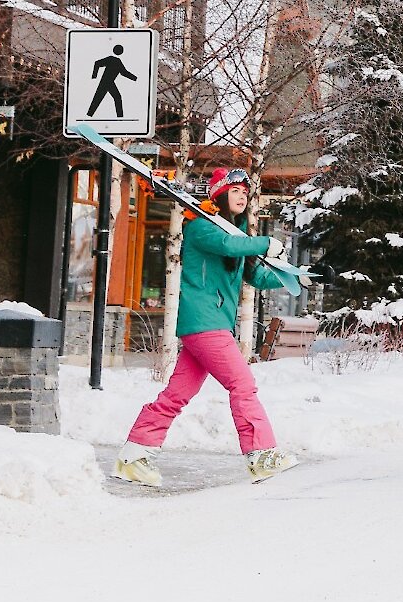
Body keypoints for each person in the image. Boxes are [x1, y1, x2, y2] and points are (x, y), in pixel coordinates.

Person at [115, 168, 304, 485]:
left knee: (176, 394)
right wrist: (265, 242)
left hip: (208, 326)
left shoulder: (236, 238)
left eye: (246, 191)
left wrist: (301, 274)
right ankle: (261, 454)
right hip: (206, 323)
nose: (243, 194)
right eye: (235, 190)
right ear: (219, 195)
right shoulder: (202, 228)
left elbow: (256, 276)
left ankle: (134, 455)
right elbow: (230, 246)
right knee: (242, 385)